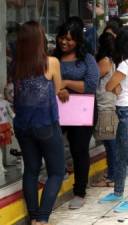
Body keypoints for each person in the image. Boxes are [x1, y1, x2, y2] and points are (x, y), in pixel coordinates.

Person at [13, 21, 65, 225]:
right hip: (46, 124)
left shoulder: (15, 65)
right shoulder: (51, 62)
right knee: (57, 171)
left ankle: (33, 215)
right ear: (40, 39)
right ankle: (42, 219)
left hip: (22, 126)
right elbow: (57, 90)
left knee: (31, 170)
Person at [53, 18, 100, 209]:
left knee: (79, 150)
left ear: (79, 41)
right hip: (58, 110)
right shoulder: (53, 58)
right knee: (53, 145)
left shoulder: (87, 59)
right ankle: (55, 177)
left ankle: (79, 191)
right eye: (62, 38)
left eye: (70, 39)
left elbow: (90, 85)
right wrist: (58, 88)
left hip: (82, 111)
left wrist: (66, 83)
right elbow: (46, 81)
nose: (64, 42)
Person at [99, 26, 128, 213]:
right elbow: (118, 87)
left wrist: (116, 88)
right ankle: (118, 192)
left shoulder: (125, 64)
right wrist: (118, 88)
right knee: (120, 156)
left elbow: (109, 85)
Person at [91, 32, 117, 188]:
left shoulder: (105, 61)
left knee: (110, 144)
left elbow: (93, 80)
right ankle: (113, 173)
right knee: (110, 143)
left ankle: (112, 176)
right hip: (109, 104)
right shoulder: (113, 60)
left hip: (105, 106)